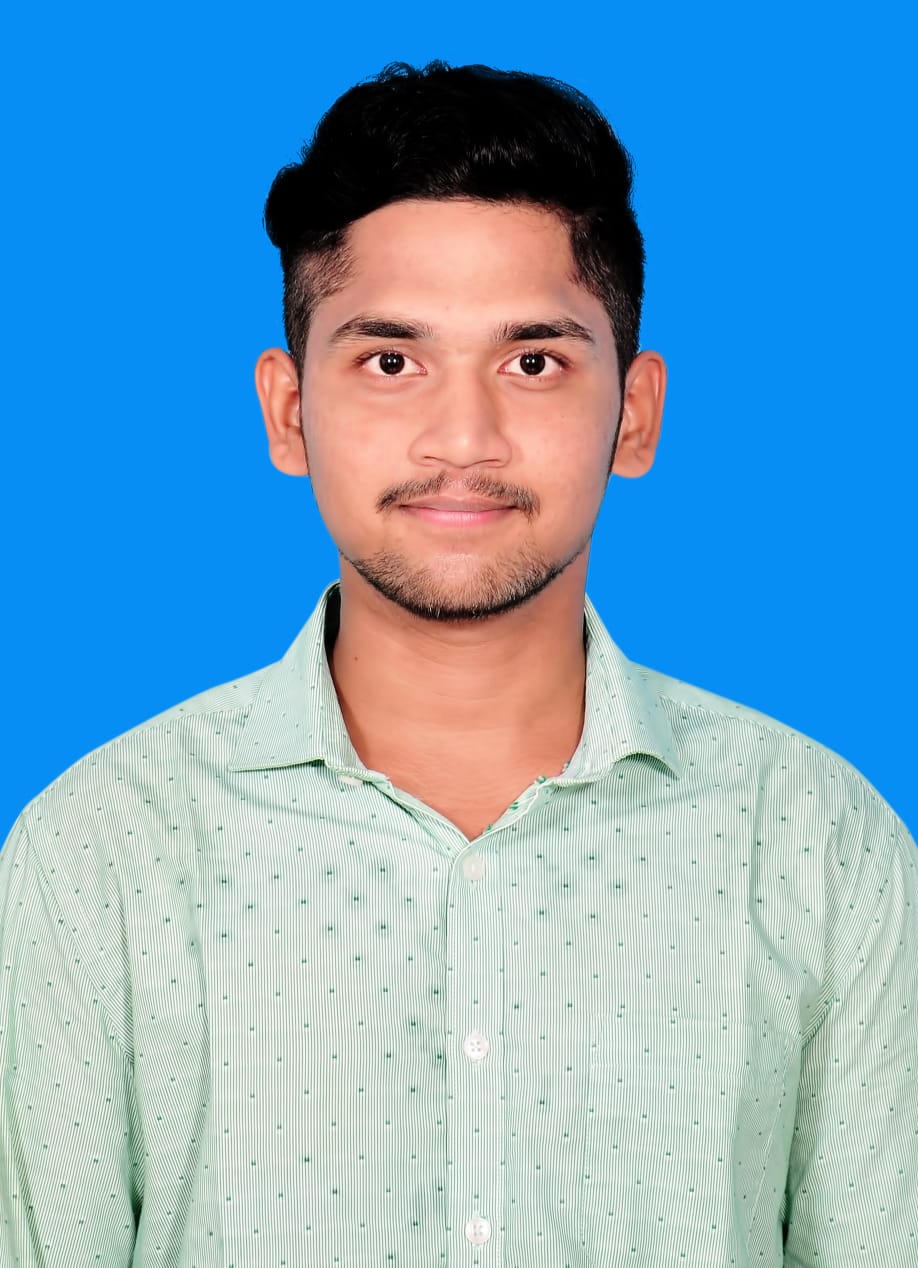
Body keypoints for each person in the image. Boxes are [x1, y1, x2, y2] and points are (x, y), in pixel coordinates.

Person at [1, 59, 915, 1268]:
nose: (463, 438)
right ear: (289, 411)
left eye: (532, 361)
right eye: (392, 361)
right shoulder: (101, 852)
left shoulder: (816, 841)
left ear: (636, 413)